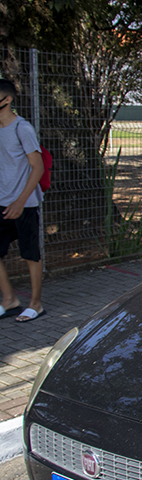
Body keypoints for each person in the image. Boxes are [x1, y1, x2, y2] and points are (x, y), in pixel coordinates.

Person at [0, 78, 45, 322]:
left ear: (6, 100)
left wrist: (20, 201)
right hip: (1, 200)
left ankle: (35, 304)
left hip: (24, 203)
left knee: (30, 254)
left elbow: (36, 167)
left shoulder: (22, 129)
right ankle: (9, 300)